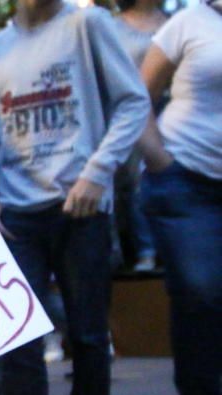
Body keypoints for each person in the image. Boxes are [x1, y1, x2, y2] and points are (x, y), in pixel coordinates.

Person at [0, 0, 150, 395]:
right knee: (17, 334)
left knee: (88, 331)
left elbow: (133, 102)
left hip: (82, 204)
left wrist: (98, 172)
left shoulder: (85, 23)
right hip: (16, 211)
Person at [137, 0, 222, 395]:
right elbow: (138, 94)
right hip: (187, 178)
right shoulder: (189, 23)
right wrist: (160, 163)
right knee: (201, 291)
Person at [114, 0, 167, 271]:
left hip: (169, 113)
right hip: (130, 115)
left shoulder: (174, 21)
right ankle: (145, 252)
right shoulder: (112, 27)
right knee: (135, 182)